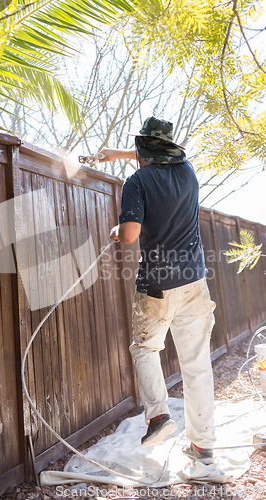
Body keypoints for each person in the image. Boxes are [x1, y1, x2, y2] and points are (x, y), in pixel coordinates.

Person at [99, 117, 216, 465]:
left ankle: (158, 416)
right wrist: (118, 153)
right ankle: (203, 446)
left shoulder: (136, 182)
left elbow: (131, 234)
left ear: (143, 148)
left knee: (145, 349)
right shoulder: (189, 173)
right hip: (195, 282)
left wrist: (118, 231)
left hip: (157, 286)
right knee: (197, 367)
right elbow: (161, 160)